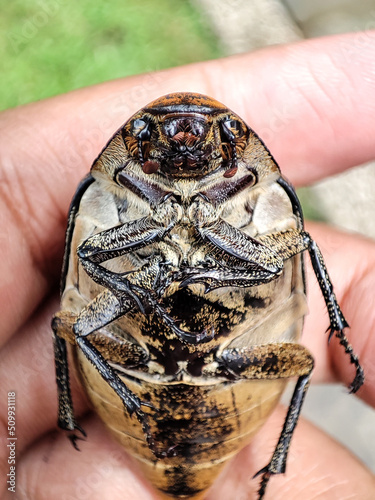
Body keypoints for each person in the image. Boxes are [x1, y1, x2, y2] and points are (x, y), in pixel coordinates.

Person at [0, 31, 375, 499]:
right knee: (69, 326)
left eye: (216, 132)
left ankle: (275, 459)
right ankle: (80, 413)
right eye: (153, 132)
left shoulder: (263, 195)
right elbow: (84, 274)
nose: (186, 139)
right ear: (132, 149)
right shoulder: (105, 195)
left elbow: (296, 248)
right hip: (140, 364)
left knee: (298, 337)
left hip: (233, 364)